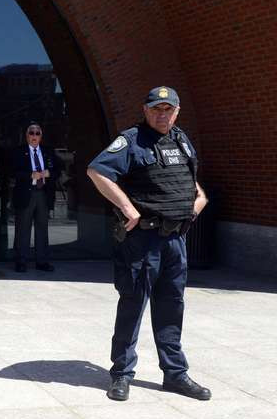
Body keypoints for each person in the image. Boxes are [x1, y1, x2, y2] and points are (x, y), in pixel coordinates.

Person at [87, 86, 211, 402]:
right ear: (146, 111)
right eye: (157, 108)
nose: (162, 113)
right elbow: (97, 171)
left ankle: (175, 374)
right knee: (132, 304)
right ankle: (121, 374)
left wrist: (198, 202)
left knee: (172, 307)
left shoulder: (181, 140)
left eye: (168, 109)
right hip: (143, 241)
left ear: (177, 111)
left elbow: (188, 179)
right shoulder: (131, 140)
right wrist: (128, 208)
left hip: (175, 240)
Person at [10, 123, 59, 272]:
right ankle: (21, 261)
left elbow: (58, 169)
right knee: (23, 229)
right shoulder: (19, 152)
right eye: (31, 133)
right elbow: (13, 172)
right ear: (27, 136)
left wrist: (49, 173)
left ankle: (42, 261)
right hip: (27, 194)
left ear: (41, 137)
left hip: (43, 194)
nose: (34, 136)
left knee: (42, 229)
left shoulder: (47, 152)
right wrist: (30, 175)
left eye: (37, 133)